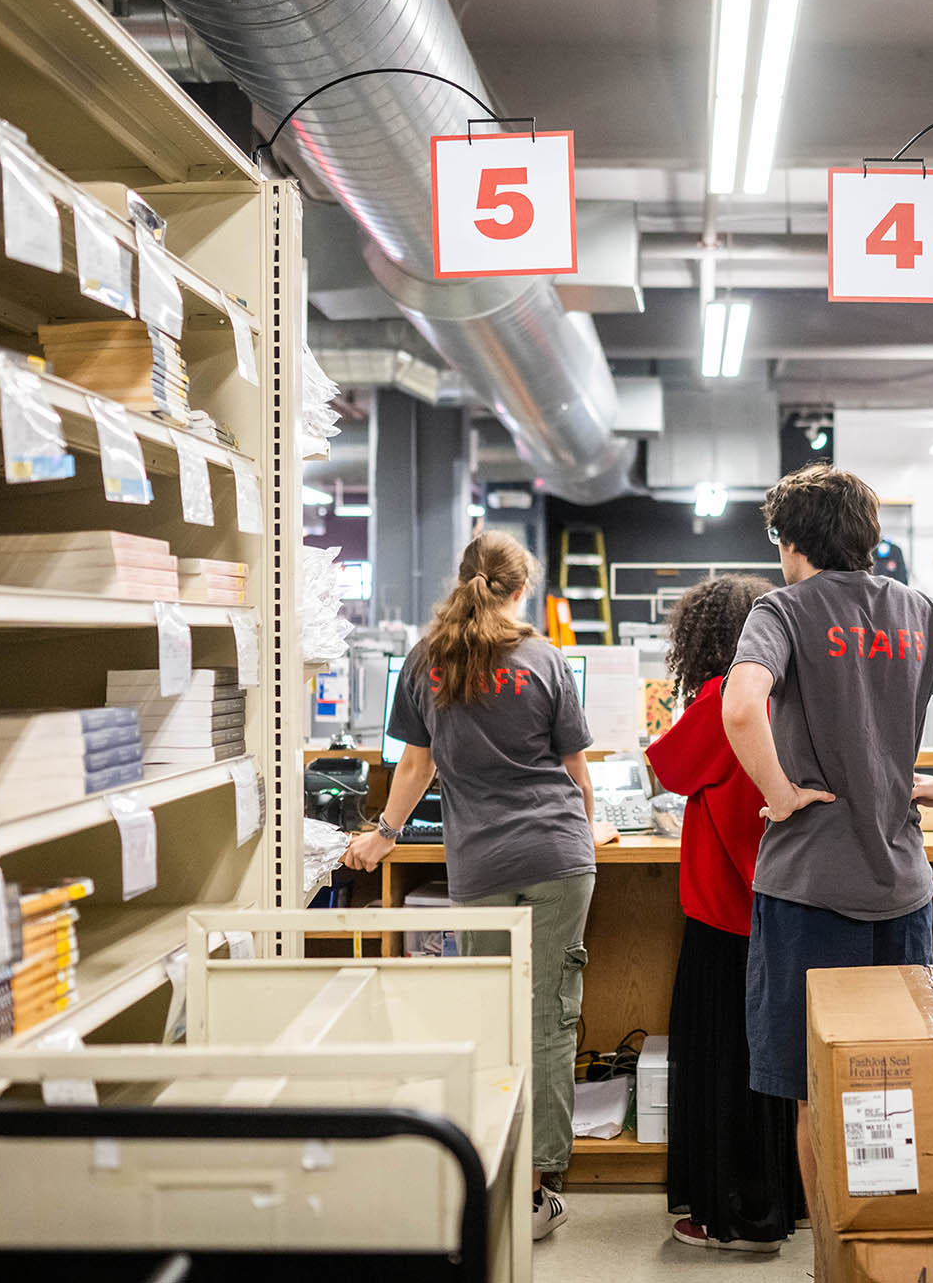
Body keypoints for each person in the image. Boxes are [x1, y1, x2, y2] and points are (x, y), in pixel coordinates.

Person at [720, 464, 933, 1224]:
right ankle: (888, 1244)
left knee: (820, 1089)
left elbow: (741, 708)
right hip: (901, 888)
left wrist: (779, 795)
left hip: (809, 889)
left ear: (790, 540)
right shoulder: (920, 611)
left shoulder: (783, 609)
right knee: (892, 1083)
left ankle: (838, 1257)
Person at [344, 532, 614, 1242]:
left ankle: (490, 1169)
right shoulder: (545, 659)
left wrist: (383, 836)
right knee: (551, 1017)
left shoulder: (428, 662)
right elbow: (577, 777)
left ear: (462, 579)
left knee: (491, 1016)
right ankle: (536, 1190)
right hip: (557, 859)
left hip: (482, 866)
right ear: (521, 589)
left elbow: (413, 767)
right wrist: (589, 832)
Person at [645, 574, 803, 1254]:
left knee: (722, 1067)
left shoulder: (718, 701)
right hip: (783, 907)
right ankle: (783, 1198)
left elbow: (667, 769)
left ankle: (732, 1215)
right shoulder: (787, 700)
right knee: (776, 1070)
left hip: (724, 916)